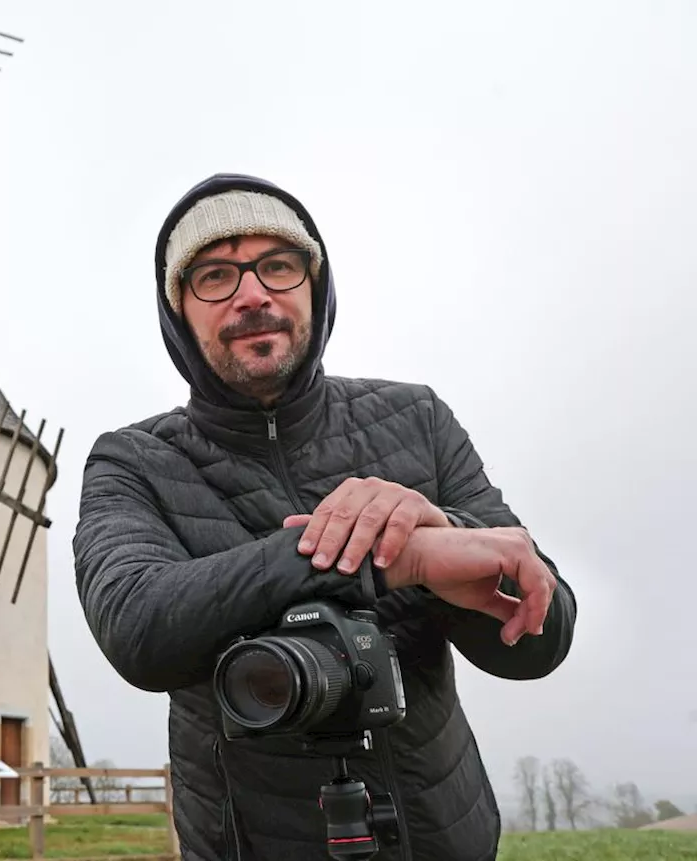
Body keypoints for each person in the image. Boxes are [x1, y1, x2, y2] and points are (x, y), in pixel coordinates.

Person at [71, 173, 577, 861]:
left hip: (444, 838)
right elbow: (138, 625)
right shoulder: (133, 461)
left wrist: (448, 539)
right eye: (215, 275)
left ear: (316, 284)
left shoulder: (418, 419)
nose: (253, 293)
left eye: (278, 264)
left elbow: (537, 637)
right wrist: (402, 558)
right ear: (178, 312)